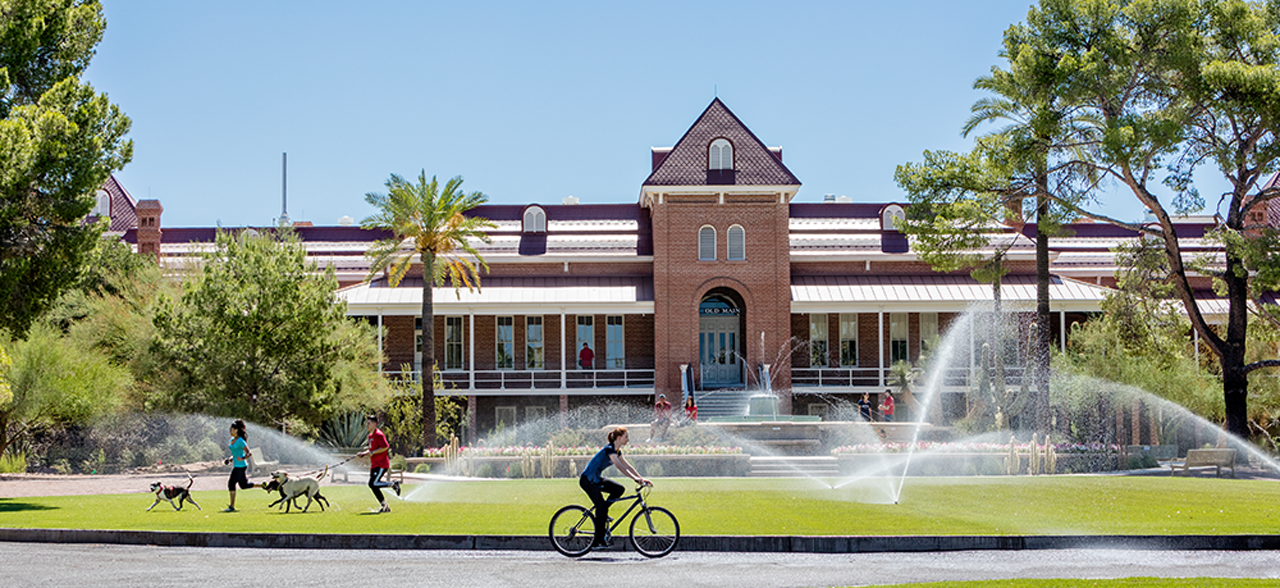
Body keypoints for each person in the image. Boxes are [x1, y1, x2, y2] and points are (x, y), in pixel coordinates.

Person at [579, 427, 650, 550]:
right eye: (626, 437)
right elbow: (620, 466)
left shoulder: (617, 451)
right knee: (601, 507)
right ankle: (597, 542)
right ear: (618, 438)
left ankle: (603, 512)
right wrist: (635, 479)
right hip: (587, 481)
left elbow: (628, 466)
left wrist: (641, 479)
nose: (628, 439)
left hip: (595, 479)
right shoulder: (609, 450)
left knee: (619, 489)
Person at [357, 414, 401, 513]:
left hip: (381, 464)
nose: (367, 425)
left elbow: (385, 446)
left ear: (375, 424)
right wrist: (364, 453)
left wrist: (372, 452)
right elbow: (372, 449)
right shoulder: (370, 436)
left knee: (373, 483)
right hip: (374, 464)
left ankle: (394, 484)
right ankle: (385, 507)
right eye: (366, 423)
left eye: (369, 423)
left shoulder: (379, 434)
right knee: (373, 485)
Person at [222, 419, 255, 512]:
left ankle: (231, 506)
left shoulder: (240, 440)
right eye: (230, 429)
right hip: (236, 465)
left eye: (232, 429)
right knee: (244, 485)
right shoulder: (232, 440)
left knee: (231, 483)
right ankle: (262, 485)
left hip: (240, 466)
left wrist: (243, 458)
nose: (230, 431)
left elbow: (249, 453)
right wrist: (231, 458)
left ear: (236, 430)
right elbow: (236, 452)